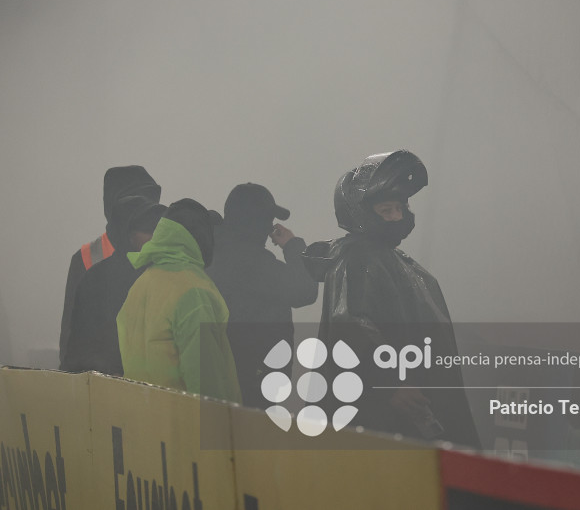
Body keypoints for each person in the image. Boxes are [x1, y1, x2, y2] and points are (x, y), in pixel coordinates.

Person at [303, 150, 480, 447]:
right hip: (382, 419)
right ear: (359, 212)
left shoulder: (390, 259)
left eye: (399, 208)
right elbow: (351, 325)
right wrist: (391, 383)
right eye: (386, 210)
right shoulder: (358, 258)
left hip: (408, 412)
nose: (396, 217)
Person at [116, 199, 242, 403]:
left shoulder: (142, 284)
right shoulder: (193, 291)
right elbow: (206, 380)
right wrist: (221, 428)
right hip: (186, 427)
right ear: (198, 237)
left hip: (144, 420)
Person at [206, 183, 317, 408]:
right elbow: (305, 291)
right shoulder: (253, 262)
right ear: (259, 223)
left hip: (220, 370)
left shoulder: (212, 251)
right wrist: (293, 246)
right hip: (254, 379)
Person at [59, 166, 161, 366]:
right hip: (102, 378)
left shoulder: (162, 251)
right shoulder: (88, 256)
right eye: (135, 200)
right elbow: (70, 335)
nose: (143, 209)